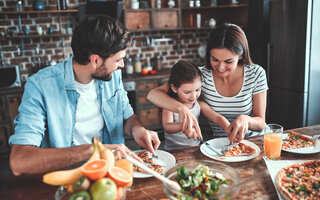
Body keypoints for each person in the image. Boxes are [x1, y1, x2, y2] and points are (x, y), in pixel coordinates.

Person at [9, 15, 160, 175]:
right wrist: (92, 150)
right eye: (118, 60)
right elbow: (19, 161)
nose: (121, 65)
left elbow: (126, 116)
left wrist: (137, 129)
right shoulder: (40, 86)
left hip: (112, 172)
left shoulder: (112, 75)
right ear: (95, 61)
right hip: (68, 177)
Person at [147, 23, 268, 143]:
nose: (220, 67)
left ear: (240, 56)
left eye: (228, 61)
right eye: (214, 59)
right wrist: (181, 109)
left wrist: (246, 120)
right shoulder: (200, 76)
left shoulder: (256, 73)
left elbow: (261, 122)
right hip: (220, 145)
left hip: (254, 141)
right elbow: (152, 94)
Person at [162, 60, 230, 150]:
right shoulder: (169, 105)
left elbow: (217, 118)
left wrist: (228, 127)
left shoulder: (199, 105)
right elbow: (167, 126)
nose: (194, 96)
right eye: (187, 92)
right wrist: (187, 125)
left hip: (195, 148)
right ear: (174, 88)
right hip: (173, 150)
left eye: (197, 90)